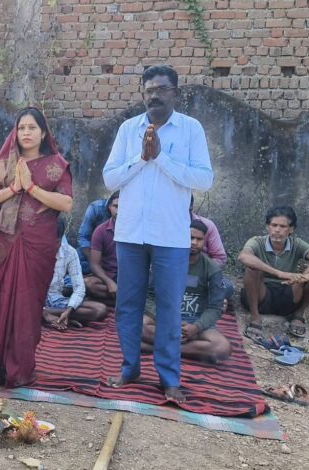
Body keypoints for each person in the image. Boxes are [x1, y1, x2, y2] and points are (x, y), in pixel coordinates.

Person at [103, 65, 214, 404]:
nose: (154, 95)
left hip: (171, 236)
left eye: (162, 89)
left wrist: (161, 158)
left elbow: (204, 179)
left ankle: (169, 379)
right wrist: (142, 158)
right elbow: (110, 178)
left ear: (175, 93)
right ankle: (130, 368)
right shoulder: (128, 129)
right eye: (149, 89)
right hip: (130, 233)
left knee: (168, 309)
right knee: (127, 304)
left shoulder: (191, 129)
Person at [0, 107, 73, 388]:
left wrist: (32, 188)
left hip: (38, 243)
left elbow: (66, 203)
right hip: (7, 241)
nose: (26, 133)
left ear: (43, 133)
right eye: (21, 127)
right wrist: (14, 188)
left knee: (28, 305)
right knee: (0, 300)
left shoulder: (56, 164)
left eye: (32, 127)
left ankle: (19, 368)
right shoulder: (5, 164)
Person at [142, 220, 231, 363]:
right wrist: (168, 320)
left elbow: (215, 307)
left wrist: (196, 328)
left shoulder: (212, 269)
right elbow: (148, 296)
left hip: (195, 322)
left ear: (205, 241)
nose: (194, 242)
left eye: (199, 239)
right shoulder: (165, 262)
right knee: (139, 327)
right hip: (166, 318)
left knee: (222, 348)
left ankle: (156, 348)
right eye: (190, 238)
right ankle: (189, 348)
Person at [238, 206, 309, 339]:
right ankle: (255, 317)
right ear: (267, 227)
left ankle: (298, 314)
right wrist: (280, 273)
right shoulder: (257, 241)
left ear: (291, 229)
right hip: (262, 295)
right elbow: (244, 256)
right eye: (273, 225)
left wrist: (308, 276)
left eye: (283, 226)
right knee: (252, 268)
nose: (277, 230)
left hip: (288, 295)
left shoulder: (296, 243)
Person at [44, 218, 108, 330]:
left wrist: (69, 311)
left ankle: (50, 313)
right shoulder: (30, 250)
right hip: (30, 302)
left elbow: (79, 287)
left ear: (62, 239)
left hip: (55, 299)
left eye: (57, 242)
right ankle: (43, 314)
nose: (52, 246)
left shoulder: (69, 252)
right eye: (48, 241)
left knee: (100, 310)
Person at [84, 192, 119, 305]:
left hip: (129, 277)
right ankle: (121, 301)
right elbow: (94, 264)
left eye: (124, 207)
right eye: (116, 206)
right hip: (108, 276)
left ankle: (115, 301)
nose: (119, 211)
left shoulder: (136, 230)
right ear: (109, 207)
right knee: (89, 284)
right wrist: (109, 282)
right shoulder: (101, 231)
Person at [77, 196, 112, 274]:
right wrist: (95, 264)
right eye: (115, 206)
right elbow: (83, 238)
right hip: (93, 254)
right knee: (77, 265)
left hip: (113, 258)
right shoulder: (96, 208)